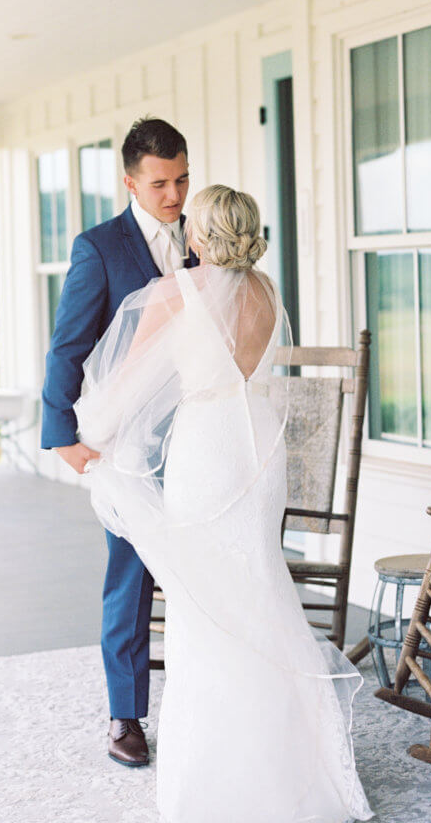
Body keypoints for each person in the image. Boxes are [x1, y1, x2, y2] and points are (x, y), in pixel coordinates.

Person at [75, 185, 372, 823]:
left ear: (199, 236)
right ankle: (291, 764)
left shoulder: (173, 295)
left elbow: (122, 389)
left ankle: (213, 780)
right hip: (260, 452)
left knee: (203, 609)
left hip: (208, 452)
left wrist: (88, 437)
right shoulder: (266, 292)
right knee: (261, 592)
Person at [41, 117, 197, 768]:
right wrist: (60, 433)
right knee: (129, 579)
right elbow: (68, 345)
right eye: (160, 182)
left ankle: (202, 703)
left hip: (200, 440)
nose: (174, 194)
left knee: (200, 571)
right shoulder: (99, 247)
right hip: (129, 449)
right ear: (130, 180)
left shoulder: (205, 236)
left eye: (183, 178)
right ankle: (126, 716)